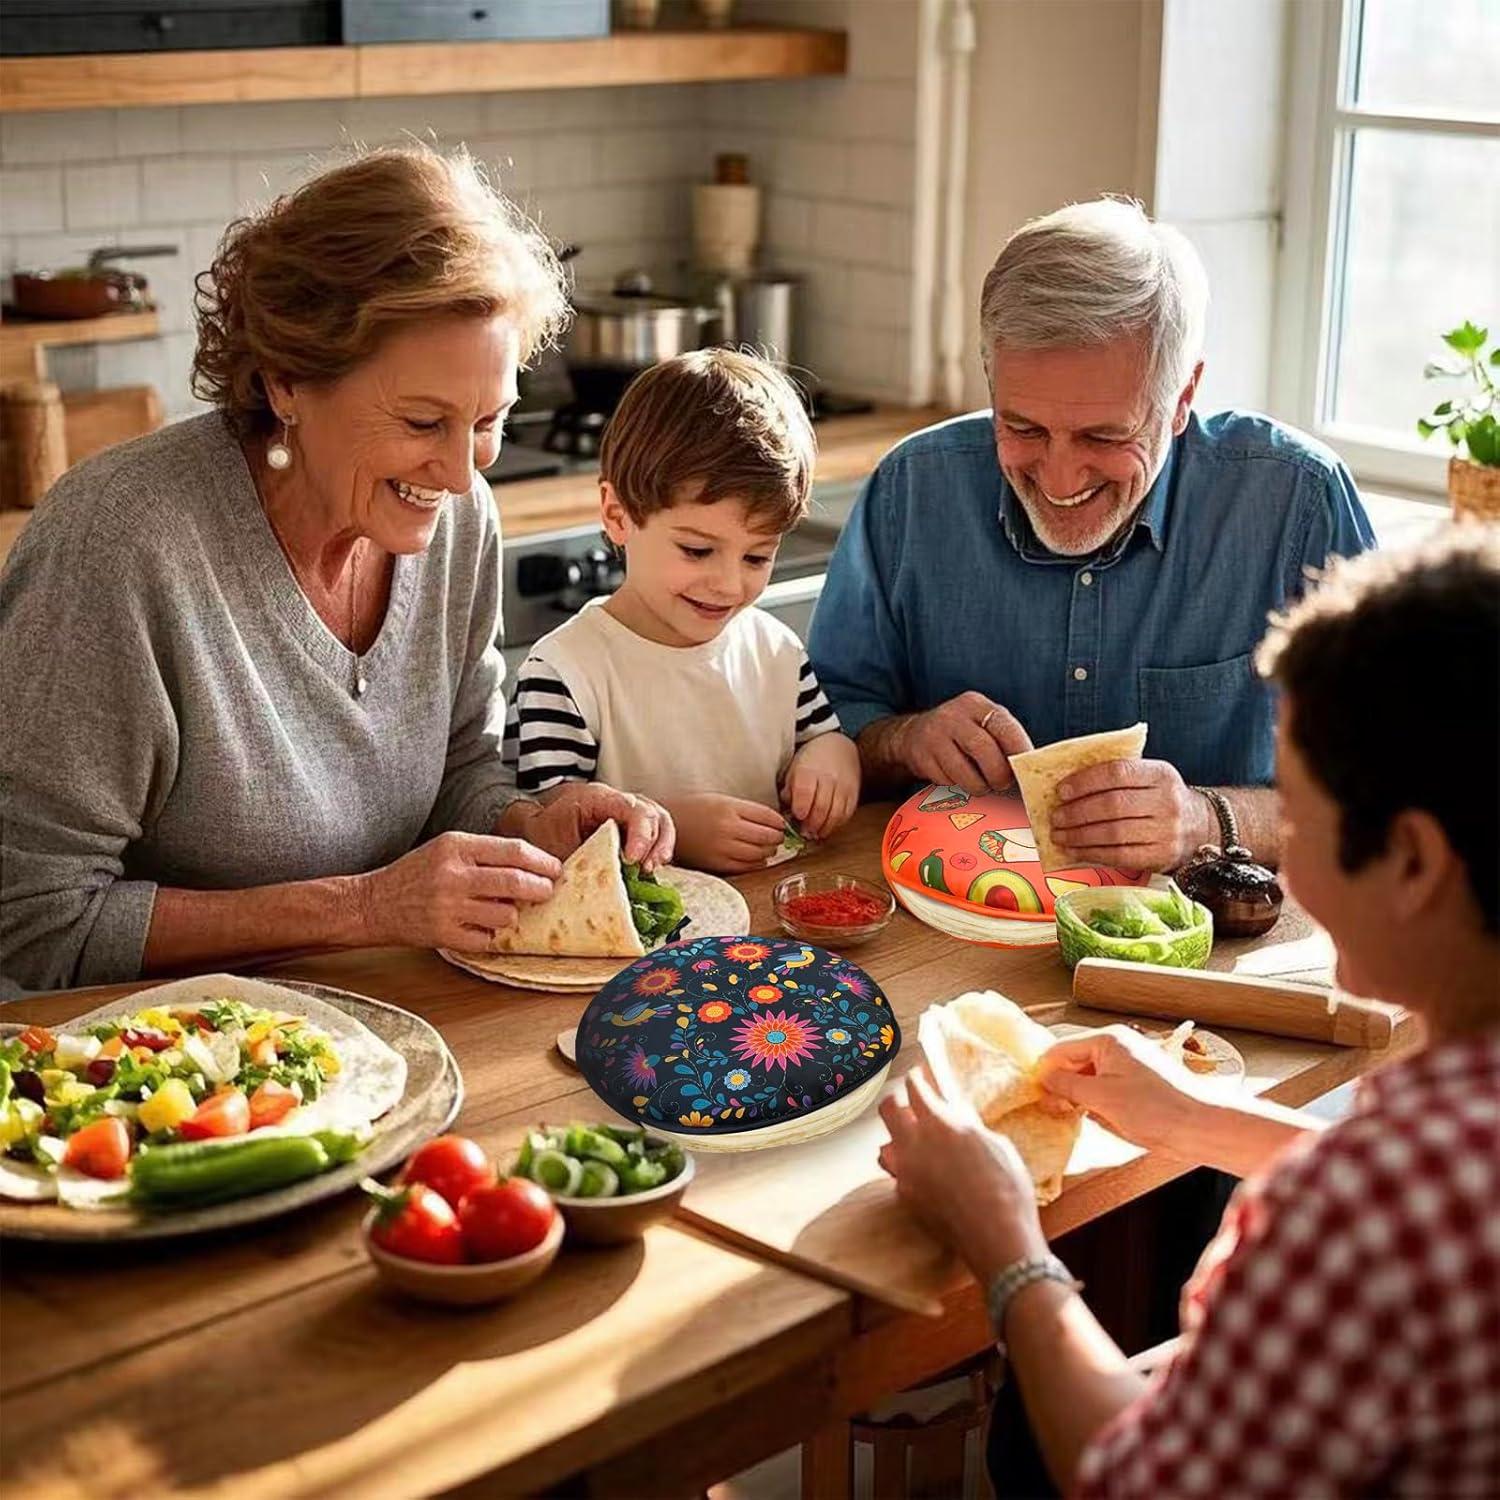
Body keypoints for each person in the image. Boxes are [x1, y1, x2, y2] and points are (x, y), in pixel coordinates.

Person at [880, 530, 1500, 1497]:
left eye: (1298, 817)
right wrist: (1198, 1119)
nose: (1282, 857)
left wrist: (1005, 1241)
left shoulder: (1351, 1214)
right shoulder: (1427, 1157)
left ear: (1414, 862)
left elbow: (1132, 1479)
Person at [0, 146, 671, 997]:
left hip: (389, 1011)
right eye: (425, 420)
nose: (464, 474)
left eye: (489, 420)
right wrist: (361, 908)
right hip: (152, 1071)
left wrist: (533, 822)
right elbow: (31, 918)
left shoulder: (459, 519)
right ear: (288, 382)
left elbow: (459, 769)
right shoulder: (123, 543)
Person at [811, 198, 1375, 873]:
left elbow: (1396, 794)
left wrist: (1210, 818)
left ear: (1183, 396)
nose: (1058, 474)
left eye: (1104, 436)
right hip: (948, 931)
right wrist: (902, 739)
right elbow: (818, 727)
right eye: (1021, 427)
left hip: (1208, 950)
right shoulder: (912, 489)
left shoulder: (1297, 502)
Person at [503, 349, 860, 873]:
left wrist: (833, 757)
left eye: (758, 556)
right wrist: (675, 829)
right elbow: (544, 829)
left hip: (765, 922)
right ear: (617, 516)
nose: (729, 584)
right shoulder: (566, 673)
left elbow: (821, 734)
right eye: (696, 550)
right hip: (631, 947)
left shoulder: (775, 649)